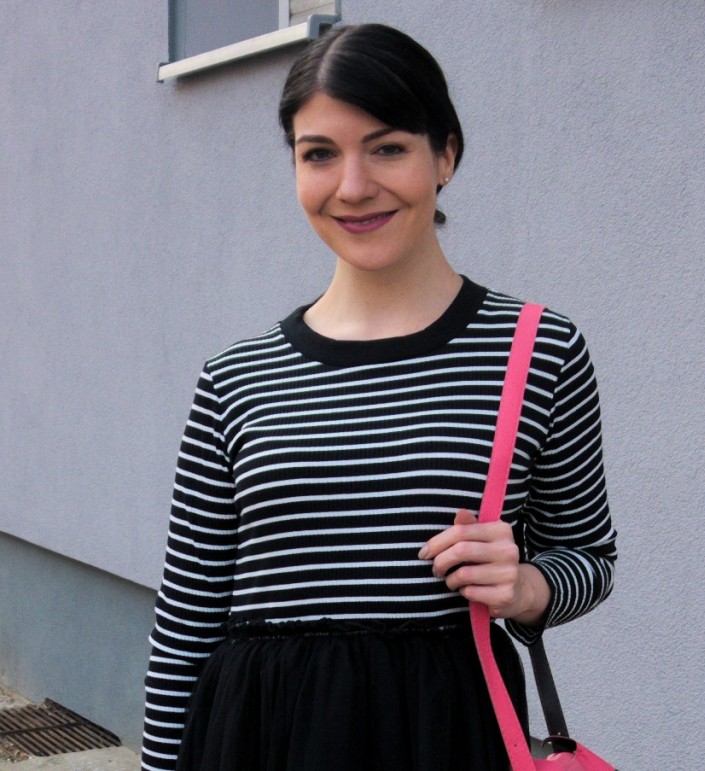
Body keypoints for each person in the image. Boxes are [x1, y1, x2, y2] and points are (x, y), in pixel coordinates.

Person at [141, 23, 616, 771]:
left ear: (445, 156)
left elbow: (588, 554)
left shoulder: (538, 350)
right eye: (319, 154)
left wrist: (526, 584)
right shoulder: (235, 377)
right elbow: (186, 621)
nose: (353, 186)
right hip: (259, 742)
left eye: (388, 146)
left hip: (445, 735)